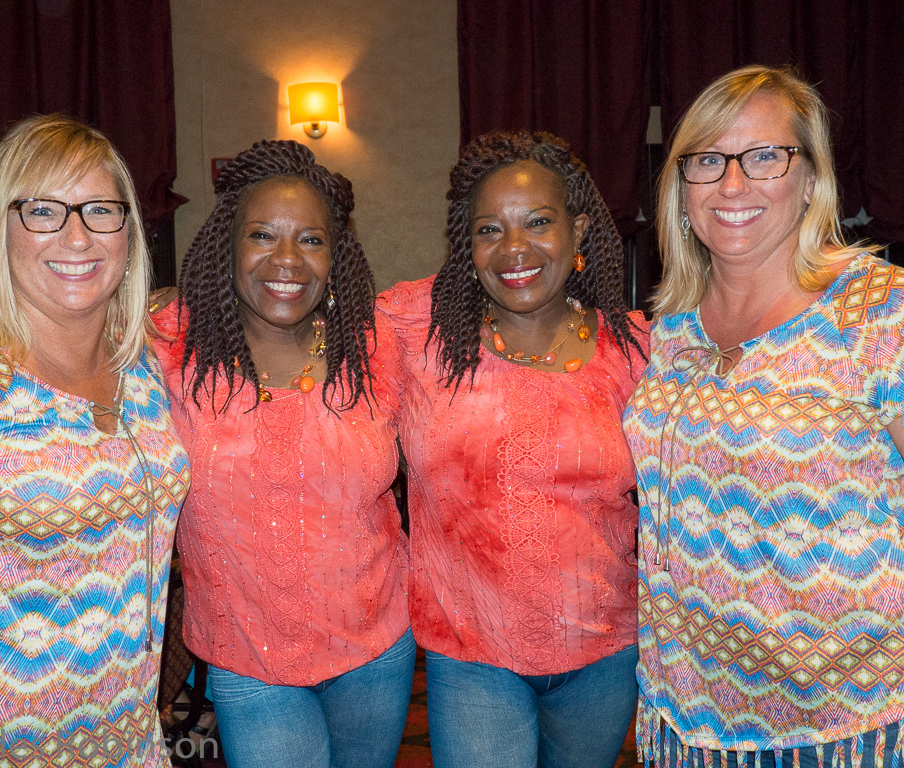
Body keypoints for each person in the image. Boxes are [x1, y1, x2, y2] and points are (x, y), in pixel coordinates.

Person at [0, 115, 190, 768]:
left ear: (128, 230)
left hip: (129, 750)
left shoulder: (147, 363)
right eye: (44, 210)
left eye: (100, 210)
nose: (77, 236)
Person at [623, 65, 902, 766]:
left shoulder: (876, 311)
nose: (734, 185)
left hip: (847, 721)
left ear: (811, 179)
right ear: (681, 189)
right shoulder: (672, 331)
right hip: (690, 711)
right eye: (709, 161)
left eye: (765, 156)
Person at [376, 131, 649, 768]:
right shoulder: (419, 332)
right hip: (471, 653)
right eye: (489, 229)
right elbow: (302, 318)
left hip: (603, 649)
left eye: (538, 222)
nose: (514, 248)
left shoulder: (635, 351)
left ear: (579, 231)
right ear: (466, 247)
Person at [150, 139, 413, 768]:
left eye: (312, 240)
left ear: (337, 253)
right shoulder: (167, 345)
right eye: (262, 234)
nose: (287, 260)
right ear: (226, 244)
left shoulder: (378, 341)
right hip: (249, 654)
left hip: (377, 645)